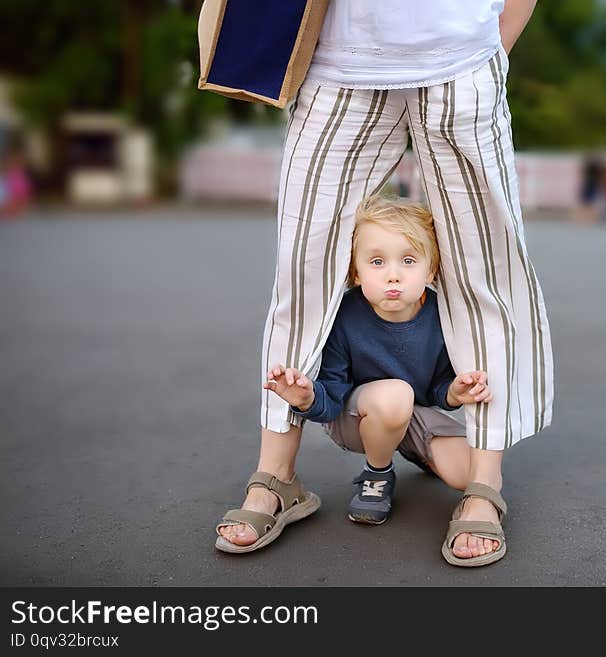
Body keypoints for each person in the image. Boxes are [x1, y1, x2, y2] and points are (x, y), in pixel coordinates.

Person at [216, 0, 554, 566]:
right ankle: (275, 478)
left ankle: (483, 487)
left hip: (462, 56)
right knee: (303, 271)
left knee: (484, 274)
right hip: (339, 63)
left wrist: (492, 42)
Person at [218, 196, 505, 564]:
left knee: (468, 475)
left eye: (408, 260)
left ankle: (411, 447)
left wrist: (454, 391)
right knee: (394, 396)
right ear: (355, 272)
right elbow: (332, 400)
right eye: (376, 261)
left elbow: (436, 388)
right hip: (357, 416)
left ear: (431, 270)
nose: (393, 274)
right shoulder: (345, 315)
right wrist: (306, 397)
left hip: (410, 414)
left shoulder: (440, 316)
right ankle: (377, 474)